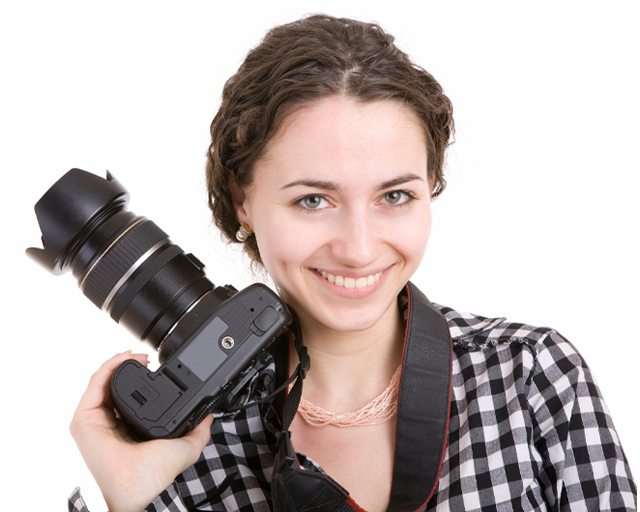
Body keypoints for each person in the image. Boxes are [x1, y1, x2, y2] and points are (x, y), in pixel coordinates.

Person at [67, 14, 636, 512]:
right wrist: (125, 497)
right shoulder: (182, 445)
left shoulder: (528, 376)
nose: (359, 248)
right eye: (313, 200)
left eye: (396, 196)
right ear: (243, 201)